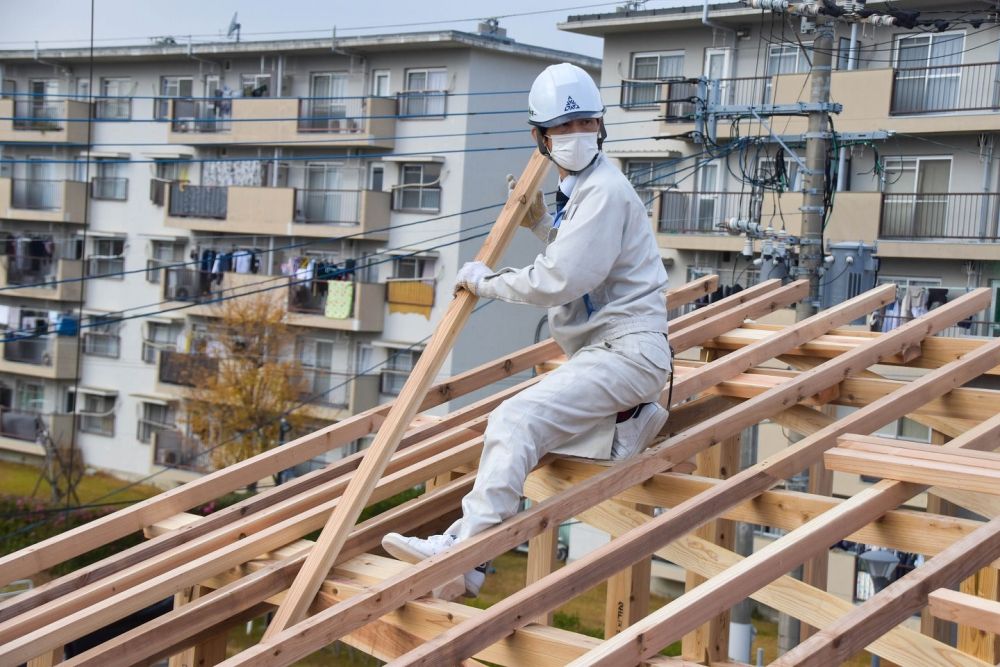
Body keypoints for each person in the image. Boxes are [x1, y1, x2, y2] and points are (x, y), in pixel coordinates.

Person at [382, 63, 671, 597]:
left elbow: (562, 277)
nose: (575, 135)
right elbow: (584, 256)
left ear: (601, 126)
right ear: (540, 138)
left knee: (514, 417)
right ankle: (462, 541)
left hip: (626, 353)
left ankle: (467, 559)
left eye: (584, 123)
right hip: (608, 354)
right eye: (563, 128)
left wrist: (487, 281)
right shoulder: (585, 192)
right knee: (527, 433)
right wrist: (542, 224)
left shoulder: (604, 190)